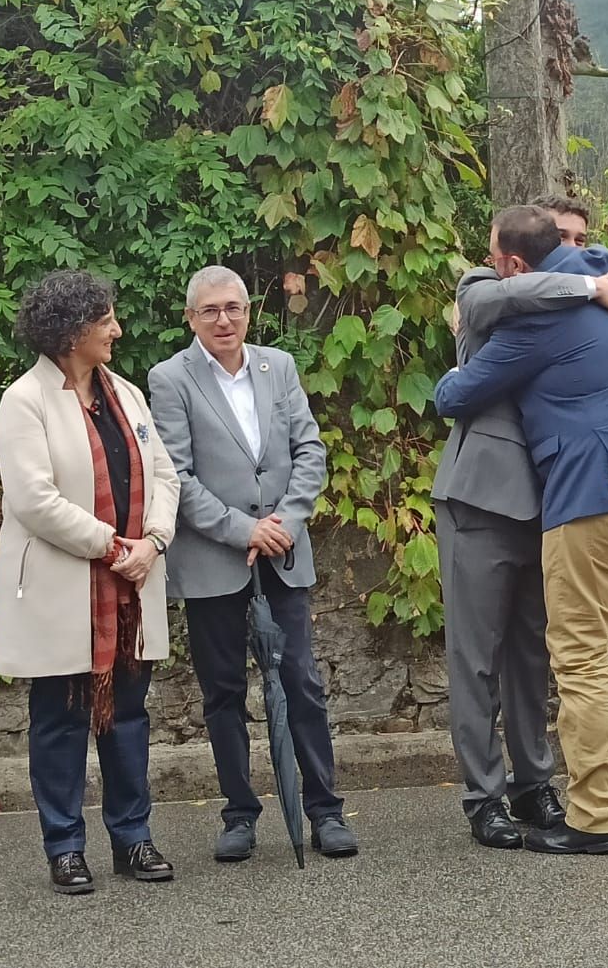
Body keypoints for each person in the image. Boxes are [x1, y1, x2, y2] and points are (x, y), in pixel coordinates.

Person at [434, 206, 608, 856]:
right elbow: (579, 265)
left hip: (596, 493)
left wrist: (449, 372)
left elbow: (457, 395)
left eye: (497, 258)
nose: (492, 267)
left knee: (582, 659)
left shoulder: (534, 330)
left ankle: (594, 816)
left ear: (515, 265)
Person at [146, 266, 357, 862]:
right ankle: (240, 814)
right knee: (223, 692)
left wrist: (285, 523)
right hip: (216, 559)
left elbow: (309, 449)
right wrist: (245, 529)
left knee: (302, 685)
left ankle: (325, 811)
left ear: (249, 311)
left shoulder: (278, 367)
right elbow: (177, 477)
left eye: (233, 308)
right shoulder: (170, 380)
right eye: (210, 310)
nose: (224, 320)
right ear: (191, 318)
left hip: (284, 552)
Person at [0, 270, 179, 895]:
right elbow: (33, 499)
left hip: (130, 585)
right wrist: (112, 544)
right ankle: (65, 847)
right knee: (61, 722)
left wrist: (153, 541)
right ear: (72, 331)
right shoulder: (24, 400)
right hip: (66, 588)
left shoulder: (125, 392)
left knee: (128, 717)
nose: (117, 330)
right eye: (106, 320)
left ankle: (133, 838)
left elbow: (164, 475)